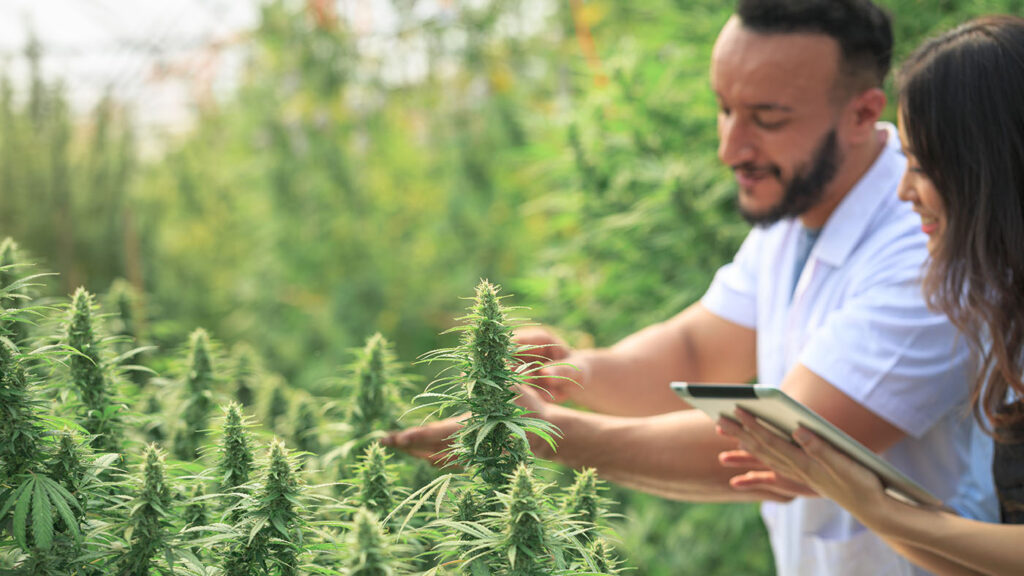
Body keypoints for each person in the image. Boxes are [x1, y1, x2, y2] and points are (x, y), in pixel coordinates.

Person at [384, 1, 998, 574]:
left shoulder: (930, 245)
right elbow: (702, 350)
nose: (730, 146)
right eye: (725, 108)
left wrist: (545, 435)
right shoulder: (800, 208)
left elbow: (784, 442)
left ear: (864, 113)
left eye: (767, 119)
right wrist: (575, 372)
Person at [716, 15, 1024, 576]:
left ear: (991, 173)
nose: (905, 190)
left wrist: (876, 506)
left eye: (923, 167)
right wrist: (861, 500)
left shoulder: (928, 281)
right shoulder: (1000, 311)